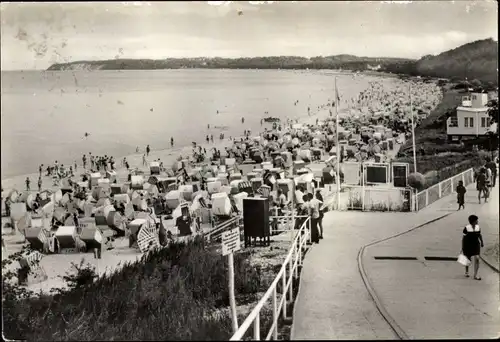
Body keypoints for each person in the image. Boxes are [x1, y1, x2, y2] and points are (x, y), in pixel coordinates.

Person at [462, 215, 484, 280]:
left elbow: (479, 235)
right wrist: (463, 246)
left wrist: (482, 242)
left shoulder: (478, 227)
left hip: (476, 244)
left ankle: (475, 275)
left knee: (477, 258)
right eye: (476, 220)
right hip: (468, 244)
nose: (477, 221)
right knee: (468, 258)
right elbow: (464, 238)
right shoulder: (466, 228)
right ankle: (467, 271)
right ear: (473, 221)